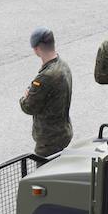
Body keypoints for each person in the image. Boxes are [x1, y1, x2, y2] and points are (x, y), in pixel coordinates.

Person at [20, 27, 73, 157]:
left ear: (37, 49)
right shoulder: (63, 65)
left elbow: (28, 107)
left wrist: (24, 97)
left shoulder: (45, 77)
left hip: (49, 140)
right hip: (63, 131)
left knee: (45, 174)